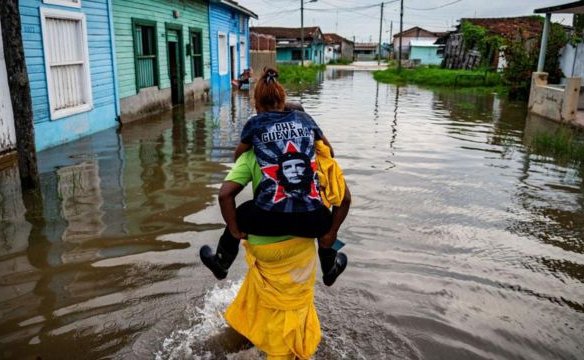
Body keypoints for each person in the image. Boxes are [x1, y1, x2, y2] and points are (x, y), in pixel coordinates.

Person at [200, 67, 349, 287]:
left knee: (240, 212)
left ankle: (221, 263)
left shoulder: (255, 123)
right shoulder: (305, 119)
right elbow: (331, 154)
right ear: (284, 99)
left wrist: (234, 229)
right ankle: (329, 267)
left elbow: (226, 190)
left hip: (267, 219)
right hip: (311, 221)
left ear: (256, 105)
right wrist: (331, 233)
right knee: (327, 220)